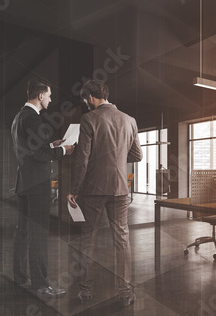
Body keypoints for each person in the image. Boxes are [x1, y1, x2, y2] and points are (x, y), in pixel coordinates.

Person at [67, 80, 142, 307]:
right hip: (120, 189)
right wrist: (117, 159)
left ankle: (86, 291)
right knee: (122, 239)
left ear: (90, 97)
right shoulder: (130, 120)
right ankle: (125, 292)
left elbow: (83, 160)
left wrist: (74, 190)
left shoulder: (89, 119)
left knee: (87, 239)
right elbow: (137, 155)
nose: (85, 104)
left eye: (85, 100)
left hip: (93, 190)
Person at [11, 77, 74, 296]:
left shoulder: (19, 117)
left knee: (23, 232)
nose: (50, 98)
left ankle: (19, 277)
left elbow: (32, 148)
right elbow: (39, 154)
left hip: (23, 183)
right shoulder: (34, 119)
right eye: (48, 95)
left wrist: (50, 144)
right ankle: (40, 284)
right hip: (37, 186)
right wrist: (63, 151)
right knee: (39, 233)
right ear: (40, 96)